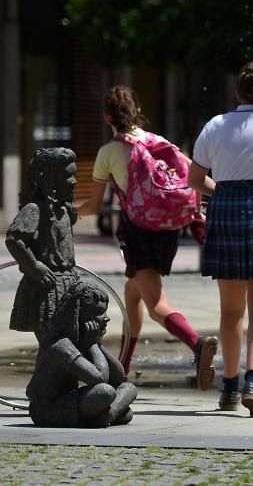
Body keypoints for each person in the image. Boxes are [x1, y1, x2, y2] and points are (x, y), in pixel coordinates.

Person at [76, 85, 218, 390]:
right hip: (168, 230)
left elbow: (95, 204)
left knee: (156, 305)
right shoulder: (158, 141)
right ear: (136, 112)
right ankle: (123, 366)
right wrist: (218, 196)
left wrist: (70, 214)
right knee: (133, 290)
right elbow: (193, 176)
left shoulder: (108, 152)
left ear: (106, 116)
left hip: (140, 231)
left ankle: (198, 343)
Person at [189, 61, 253, 417]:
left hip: (225, 209)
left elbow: (194, 177)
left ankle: (230, 387)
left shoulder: (215, 125)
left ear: (237, 92)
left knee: (231, 310)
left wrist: (222, 190)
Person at [27, 280, 137, 428]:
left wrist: (98, 344)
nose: (106, 318)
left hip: (69, 400)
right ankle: (109, 414)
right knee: (105, 392)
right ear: (80, 315)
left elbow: (119, 377)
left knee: (128, 388)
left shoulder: (81, 339)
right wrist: (92, 345)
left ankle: (107, 415)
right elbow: (100, 379)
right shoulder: (62, 346)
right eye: (99, 312)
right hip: (48, 410)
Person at [7, 148, 81, 337]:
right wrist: (34, 266)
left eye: (75, 175)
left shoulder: (64, 210)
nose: (75, 181)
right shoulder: (34, 209)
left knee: (71, 340)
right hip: (46, 289)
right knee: (53, 343)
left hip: (69, 284)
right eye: (68, 176)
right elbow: (14, 240)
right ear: (50, 178)